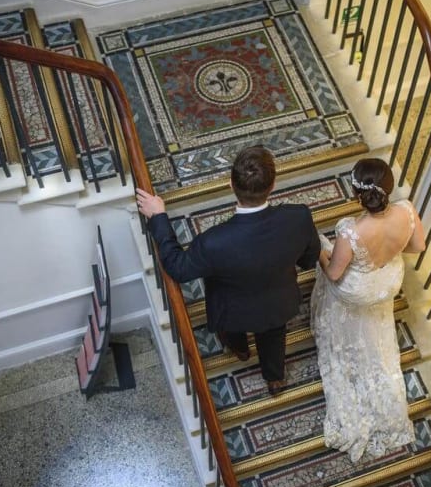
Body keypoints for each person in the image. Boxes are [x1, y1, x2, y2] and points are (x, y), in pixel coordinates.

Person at [136, 146, 321, 396]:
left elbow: (178, 268)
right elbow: (310, 259)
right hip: (279, 304)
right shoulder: (298, 217)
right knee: (274, 337)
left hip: (232, 312)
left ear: (231, 185)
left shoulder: (213, 242)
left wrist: (158, 217)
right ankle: (275, 379)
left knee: (234, 332)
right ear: (273, 184)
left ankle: (241, 349)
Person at [310, 158, 426, 462]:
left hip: (358, 292)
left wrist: (320, 252)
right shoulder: (408, 210)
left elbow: (334, 274)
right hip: (387, 282)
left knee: (321, 253)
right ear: (389, 187)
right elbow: (417, 247)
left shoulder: (350, 231)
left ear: (357, 193)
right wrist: (388, 254)